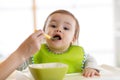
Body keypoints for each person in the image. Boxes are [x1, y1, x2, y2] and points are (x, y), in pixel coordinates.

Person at [18, 9, 100, 77]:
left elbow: (90, 60)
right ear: (44, 33)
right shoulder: (37, 51)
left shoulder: (78, 53)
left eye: (66, 28)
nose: (59, 29)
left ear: (73, 38)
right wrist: (24, 51)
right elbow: (18, 66)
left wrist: (90, 68)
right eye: (53, 26)